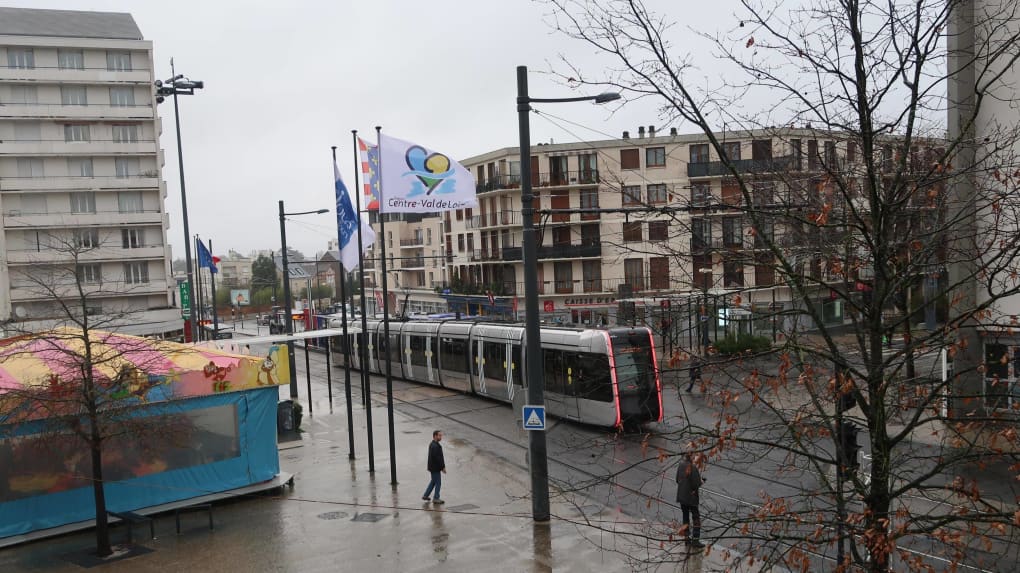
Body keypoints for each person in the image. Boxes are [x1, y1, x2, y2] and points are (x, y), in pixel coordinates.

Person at [675, 450, 705, 549]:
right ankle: (696, 540)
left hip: (682, 496)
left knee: (685, 517)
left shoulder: (681, 465)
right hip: (691, 498)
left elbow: (677, 480)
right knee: (696, 517)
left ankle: (687, 539)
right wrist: (701, 481)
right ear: (691, 456)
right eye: (695, 455)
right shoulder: (693, 467)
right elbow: (696, 484)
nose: (696, 457)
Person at [422, 430, 446, 504]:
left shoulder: (433, 444)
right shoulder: (435, 446)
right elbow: (438, 458)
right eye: (439, 435)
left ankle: (425, 495)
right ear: (435, 436)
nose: (441, 437)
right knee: (438, 483)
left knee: (433, 482)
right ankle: (436, 498)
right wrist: (443, 467)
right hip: (435, 468)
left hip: (433, 467)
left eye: (441, 435)